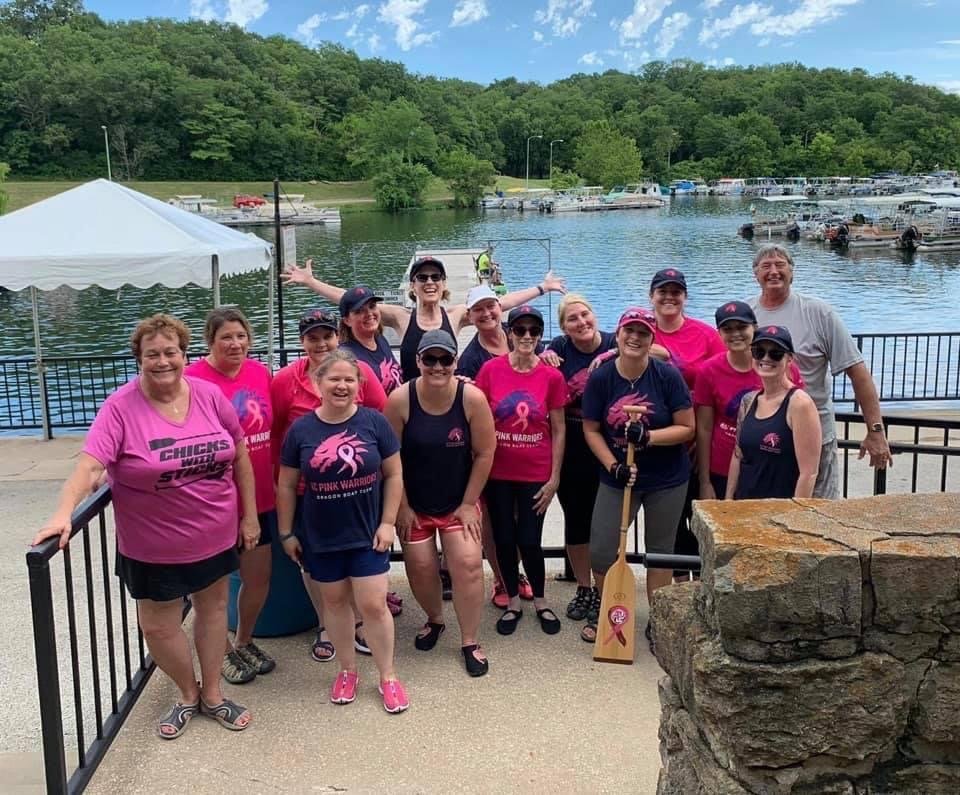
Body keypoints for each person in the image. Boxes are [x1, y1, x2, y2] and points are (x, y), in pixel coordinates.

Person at [33, 314, 257, 739]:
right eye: (152, 354)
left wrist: (247, 516)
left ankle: (213, 694)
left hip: (214, 532)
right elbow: (89, 465)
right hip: (152, 545)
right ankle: (188, 693)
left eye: (171, 352)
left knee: (212, 613)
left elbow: (240, 453)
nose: (163, 361)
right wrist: (63, 512)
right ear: (138, 358)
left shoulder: (209, 395)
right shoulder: (120, 406)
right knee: (158, 626)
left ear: (184, 354)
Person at [276, 350, 409, 713]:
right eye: (333, 379)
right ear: (318, 384)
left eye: (349, 379)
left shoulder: (374, 423)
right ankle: (347, 670)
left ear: (360, 385)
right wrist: (287, 532)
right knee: (334, 603)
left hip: (367, 531)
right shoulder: (301, 430)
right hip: (320, 534)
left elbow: (394, 474)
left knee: (373, 604)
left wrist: (387, 521)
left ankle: (388, 675)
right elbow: (287, 485)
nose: (342, 386)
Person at [270, 309, 390, 665]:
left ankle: (359, 621)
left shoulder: (360, 372)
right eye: (312, 338)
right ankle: (327, 624)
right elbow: (278, 434)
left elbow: (382, 420)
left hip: (359, 487)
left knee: (361, 558)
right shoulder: (285, 381)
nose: (321, 343)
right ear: (302, 342)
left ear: (337, 336)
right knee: (315, 564)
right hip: (310, 489)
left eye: (327, 336)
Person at [581, 308, 694, 649]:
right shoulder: (602, 378)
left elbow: (686, 427)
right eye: (628, 331)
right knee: (602, 550)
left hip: (666, 479)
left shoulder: (666, 376)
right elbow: (590, 429)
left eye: (643, 332)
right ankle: (609, 610)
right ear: (616, 336)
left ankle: (658, 619)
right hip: (619, 478)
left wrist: (649, 437)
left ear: (652, 339)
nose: (634, 337)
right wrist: (612, 464)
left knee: (659, 551)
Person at [385, 330, 496, 676]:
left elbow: (484, 453)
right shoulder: (400, 400)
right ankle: (435, 619)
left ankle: (469, 639)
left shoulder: (471, 399)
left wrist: (468, 503)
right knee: (419, 565)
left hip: (457, 501)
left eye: (445, 359)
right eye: (429, 359)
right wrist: (401, 506)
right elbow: (391, 459)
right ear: (417, 361)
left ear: (455, 362)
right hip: (415, 502)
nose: (437, 366)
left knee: (467, 564)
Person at [748, 244, 892, 498]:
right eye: (766, 266)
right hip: (765, 441)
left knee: (819, 517)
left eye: (780, 265)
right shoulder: (747, 316)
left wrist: (876, 431)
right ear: (755, 274)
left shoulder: (819, 313)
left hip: (815, 438)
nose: (773, 272)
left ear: (792, 272)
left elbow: (858, 372)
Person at [282, 255, 566, 384]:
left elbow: (497, 305)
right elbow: (350, 300)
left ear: (443, 284)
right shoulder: (401, 317)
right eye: (422, 277)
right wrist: (311, 282)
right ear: (413, 286)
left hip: (446, 395)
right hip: (411, 403)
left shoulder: (454, 315)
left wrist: (541, 289)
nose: (429, 282)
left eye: (435, 277)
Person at [185, 307, 276, 686]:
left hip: (262, 496)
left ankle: (244, 639)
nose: (235, 344)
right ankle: (219, 649)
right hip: (213, 501)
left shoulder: (259, 373)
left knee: (258, 578)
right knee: (212, 590)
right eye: (226, 337)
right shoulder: (191, 379)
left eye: (241, 336)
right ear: (210, 341)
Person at [475, 305, 567, 636]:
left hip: (535, 472)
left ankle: (541, 600)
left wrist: (555, 477)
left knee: (529, 539)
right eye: (520, 330)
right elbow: (478, 416)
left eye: (534, 331)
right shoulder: (490, 370)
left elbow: (558, 428)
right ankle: (512, 599)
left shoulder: (551, 376)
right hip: (498, 472)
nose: (527, 336)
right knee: (503, 538)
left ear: (540, 336)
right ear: (510, 333)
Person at [455, 284, 539, 608]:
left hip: (526, 448)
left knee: (521, 517)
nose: (487, 314)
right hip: (492, 451)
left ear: (499, 308)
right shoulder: (472, 359)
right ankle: (503, 577)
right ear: (470, 316)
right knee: (494, 521)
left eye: (491, 306)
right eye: (478, 310)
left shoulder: (521, 333)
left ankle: (516, 570)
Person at [540, 294, 617, 625]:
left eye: (585, 314)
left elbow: (656, 348)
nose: (582, 322)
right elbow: (532, 357)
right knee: (576, 517)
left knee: (608, 521)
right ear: (563, 327)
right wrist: (544, 356)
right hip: (572, 444)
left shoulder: (615, 341)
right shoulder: (558, 348)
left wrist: (615, 353)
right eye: (573, 319)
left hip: (608, 443)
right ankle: (584, 587)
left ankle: (608, 588)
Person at [647, 267, 725, 583]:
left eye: (676, 291)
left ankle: (708, 582)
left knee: (704, 517)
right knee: (672, 523)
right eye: (662, 291)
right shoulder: (638, 330)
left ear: (684, 297)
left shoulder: (706, 335)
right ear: (651, 296)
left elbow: (723, 382)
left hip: (698, 443)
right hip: (657, 444)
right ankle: (678, 589)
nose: (669, 297)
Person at [694, 301, 804, 499]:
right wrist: (705, 481)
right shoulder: (708, 371)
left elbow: (798, 421)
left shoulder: (782, 367)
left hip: (771, 467)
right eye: (727, 329)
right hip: (722, 467)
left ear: (754, 327)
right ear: (719, 333)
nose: (735, 334)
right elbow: (704, 428)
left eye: (741, 327)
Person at [726, 325, 822, 499]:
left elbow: (809, 473)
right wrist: (727, 500)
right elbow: (738, 455)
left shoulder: (799, 404)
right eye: (759, 352)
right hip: (744, 507)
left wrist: (795, 516)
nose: (766, 358)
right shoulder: (749, 401)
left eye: (775, 353)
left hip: (779, 511)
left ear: (789, 359)